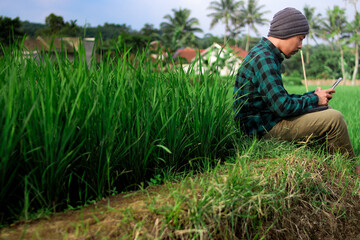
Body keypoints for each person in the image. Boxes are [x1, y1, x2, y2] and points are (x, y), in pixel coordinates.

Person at [233, 7, 360, 174]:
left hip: (266, 122)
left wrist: (313, 96)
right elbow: (282, 107)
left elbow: (278, 98)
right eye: (300, 39)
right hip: (261, 131)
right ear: (287, 32)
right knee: (334, 119)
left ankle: (333, 166)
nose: (300, 46)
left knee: (325, 110)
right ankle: (351, 172)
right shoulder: (265, 58)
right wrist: (315, 100)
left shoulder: (265, 54)